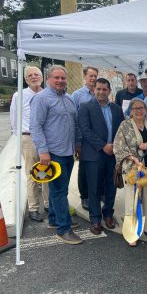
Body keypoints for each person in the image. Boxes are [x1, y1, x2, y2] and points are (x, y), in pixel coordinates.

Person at [30, 65, 82, 245]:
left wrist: (77, 144)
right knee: (60, 191)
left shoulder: (68, 99)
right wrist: (43, 150)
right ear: (48, 79)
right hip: (52, 153)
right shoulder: (41, 99)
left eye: (63, 78)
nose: (60, 81)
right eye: (56, 78)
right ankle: (63, 229)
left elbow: (74, 125)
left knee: (58, 189)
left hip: (68, 151)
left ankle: (54, 218)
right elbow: (35, 126)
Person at [78, 78, 124, 235]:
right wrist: (103, 146)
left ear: (109, 91)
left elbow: (121, 130)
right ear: (94, 90)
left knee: (111, 186)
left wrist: (115, 147)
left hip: (113, 155)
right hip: (94, 155)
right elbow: (85, 130)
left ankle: (108, 214)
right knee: (94, 188)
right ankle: (96, 219)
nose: (101, 92)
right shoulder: (85, 107)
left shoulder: (117, 110)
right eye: (98, 89)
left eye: (104, 89)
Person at [113, 98, 147, 246]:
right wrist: (133, 158)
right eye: (136, 108)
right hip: (132, 169)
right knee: (132, 201)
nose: (139, 111)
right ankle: (132, 232)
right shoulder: (125, 125)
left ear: (146, 110)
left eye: (142, 108)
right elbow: (118, 147)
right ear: (131, 111)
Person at [10, 66, 48, 222]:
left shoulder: (47, 94)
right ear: (26, 79)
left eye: (37, 74)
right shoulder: (19, 95)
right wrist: (20, 138)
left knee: (46, 172)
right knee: (32, 173)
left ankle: (48, 204)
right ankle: (33, 207)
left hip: (46, 139)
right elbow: (14, 119)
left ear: (42, 77)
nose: (34, 77)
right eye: (30, 75)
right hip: (29, 138)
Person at [71, 66, 99, 211]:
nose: (93, 78)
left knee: (98, 167)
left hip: (99, 139)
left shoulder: (100, 93)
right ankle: (85, 197)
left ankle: (98, 194)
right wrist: (77, 141)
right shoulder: (77, 95)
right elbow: (74, 119)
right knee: (84, 169)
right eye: (91, 76)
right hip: (84, 139)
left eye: (95, 76)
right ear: (84, 76)